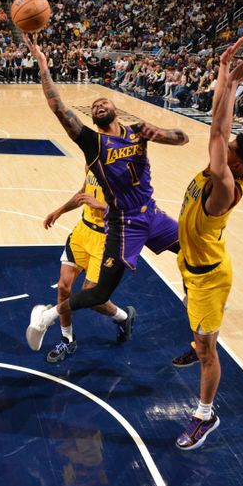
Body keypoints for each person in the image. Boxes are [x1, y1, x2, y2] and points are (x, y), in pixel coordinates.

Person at [21, 34, 188, 352]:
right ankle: (51, 325)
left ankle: (190, 289)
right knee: (89, 293)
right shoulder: (93, 144)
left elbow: (182, 138)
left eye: (104, 102)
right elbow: (58, 107)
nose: (99, 105)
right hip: (122, 224)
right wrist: (43, 65)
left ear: (115, 108)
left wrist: (161, 133)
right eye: (94, 105)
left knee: (195, 245)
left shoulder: (138, 133)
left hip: (150, 213)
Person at [172, 35, 243, 450]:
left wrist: (229, 83)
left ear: (237, 163)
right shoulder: (225, 165)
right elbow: (219, 126)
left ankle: (205, 416)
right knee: (198, 334)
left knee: (210, 353)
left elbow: (216, 128)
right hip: (192, 265)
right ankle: (199, 341)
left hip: (210, 278)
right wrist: (227, 80)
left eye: (228, 148)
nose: (224, 142)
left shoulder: (225, 184)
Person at [41, 169, 134, 363]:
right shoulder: (92, 158)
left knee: (90, 294)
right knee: (63, 287)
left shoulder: (124, 167)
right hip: (82, 233)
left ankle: (123, 316)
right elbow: (83, 192)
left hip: (107, 239)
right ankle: (67, 339)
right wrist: (59, 210)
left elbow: (131, 210)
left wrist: (100, 206)